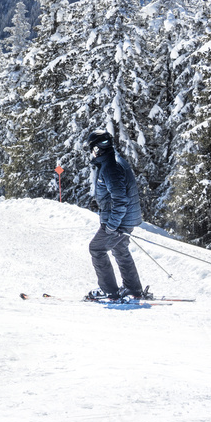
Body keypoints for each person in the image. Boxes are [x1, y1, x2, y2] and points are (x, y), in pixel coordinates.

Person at [83, 129, 146, 301]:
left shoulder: (111, 167)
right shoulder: (112, 162)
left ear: (96, 149)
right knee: (120, 248)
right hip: (124, 218)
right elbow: (116, 193)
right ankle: (133, 288)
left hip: (119, 221)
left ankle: (108, 290)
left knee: (96, 248)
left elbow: (120, 200)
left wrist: (111, 225)